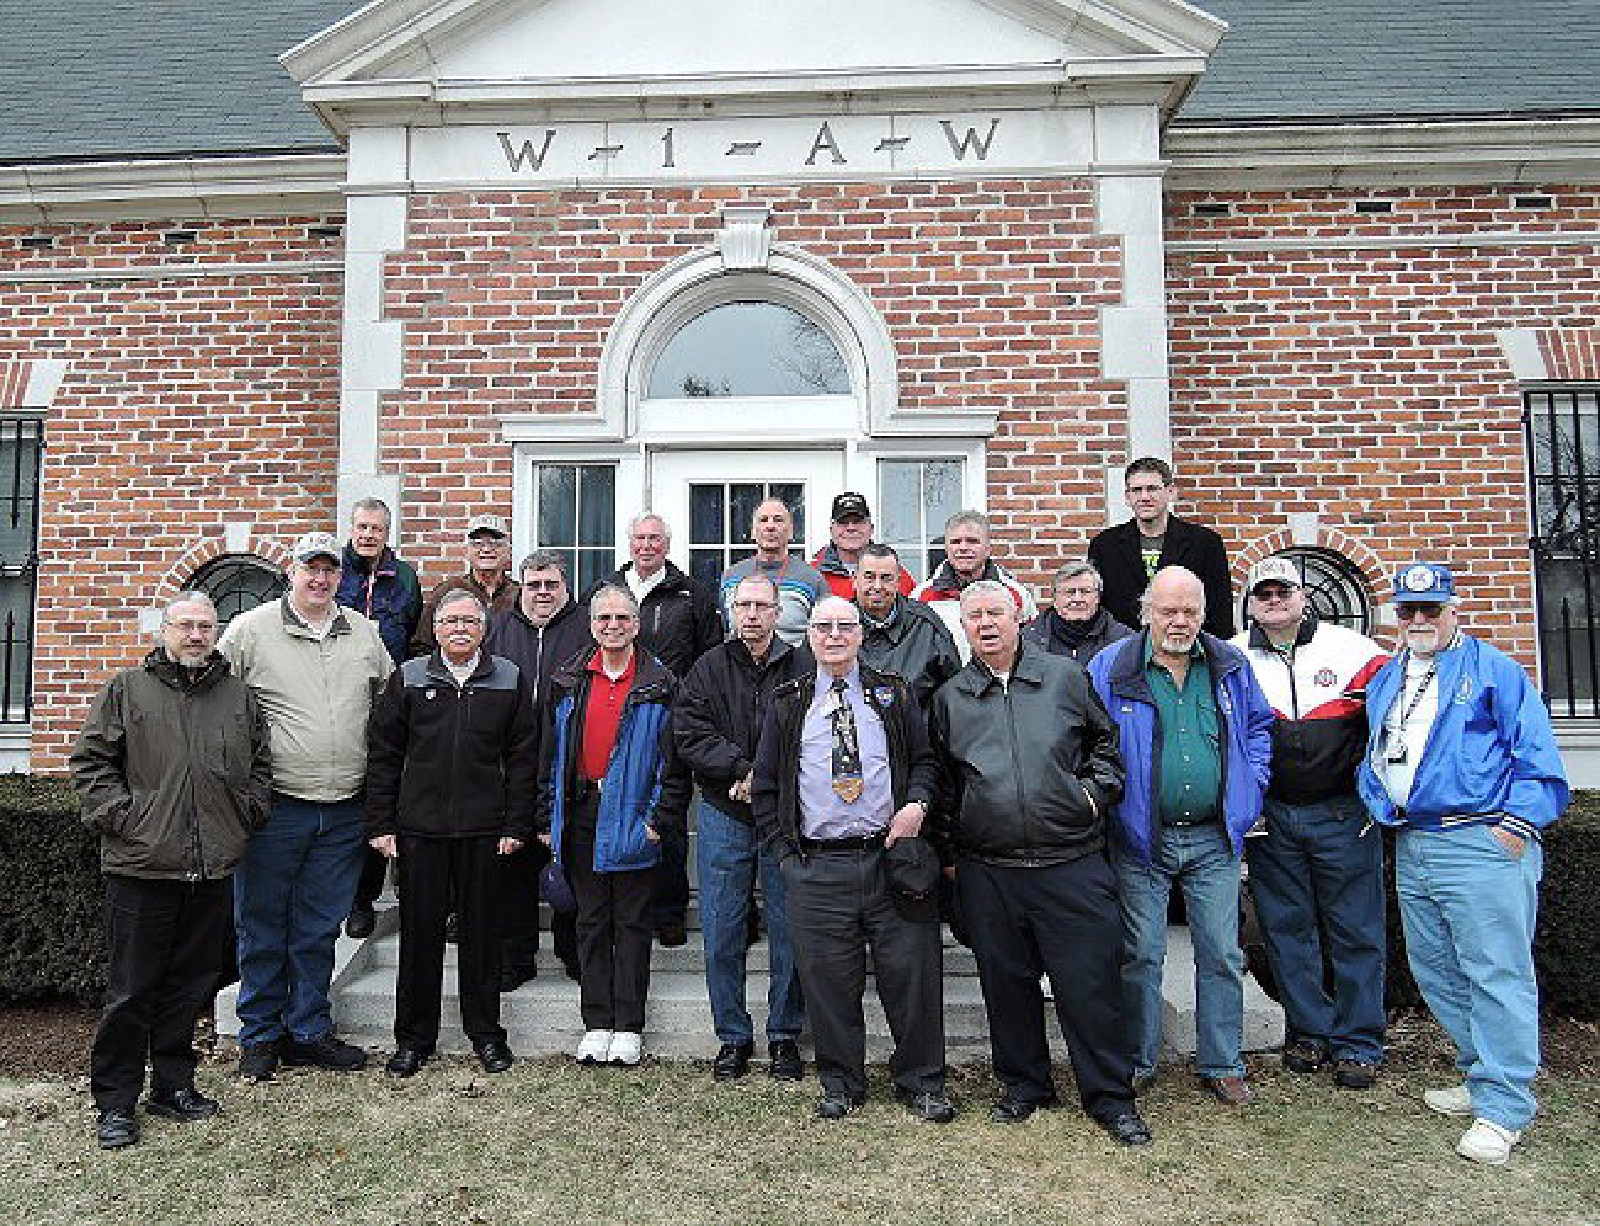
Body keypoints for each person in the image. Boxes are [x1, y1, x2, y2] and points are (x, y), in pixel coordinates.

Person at [1357, 562, 1568, 1165]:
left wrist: (1516, 825)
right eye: (1408, 610)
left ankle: (1504, 1107)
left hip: (1479, 841)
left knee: (1496, 971)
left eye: (1431, 609)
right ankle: (1481, 1075)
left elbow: (1535, 750)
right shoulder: (1389, 676)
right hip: (1415, 839)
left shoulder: (1495, 671)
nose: (1419, 620)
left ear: (1453, 612)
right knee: (1435, 969)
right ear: (1396, 615)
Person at [928, 582, 1150, 1144]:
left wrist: (1091, 798)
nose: (985, 624)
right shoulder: (951, 696)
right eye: (973, 616)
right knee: (1006, 985)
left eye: (995, 613)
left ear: (1019, 619)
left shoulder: (1065, 679)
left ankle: (1109, 1097)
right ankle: (1025, 1084)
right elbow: (944, 785)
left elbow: (1107, 748)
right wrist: (954, 854)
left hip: (1069, 861)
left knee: (1089, 985)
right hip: (990, 867)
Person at [71, 592, 272, 1150]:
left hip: (211, 869)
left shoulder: (237, 697)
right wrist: (124, 818)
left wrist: (247, 814)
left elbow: (260, 765)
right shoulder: (127, 691)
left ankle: (174, 1086)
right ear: (164, 630)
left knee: (190, 986)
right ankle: (115, 1102)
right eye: (185, 625)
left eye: (205, 626)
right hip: (141, 867)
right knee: (132, 989)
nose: (195, 634)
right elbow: (91, 763)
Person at [751, 596, 952, 1123]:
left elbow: (926, 762)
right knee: (828, 984)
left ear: (861, 634)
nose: (834, 636)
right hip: (816, 868)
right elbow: (767, 784)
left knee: (911, 978)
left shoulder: (893, 692)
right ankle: (841, 1082)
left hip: (889, 858)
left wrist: (916, 805)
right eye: (823, 627)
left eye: (845, 626)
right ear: (809, 637)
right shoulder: (787, 700)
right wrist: (785, 850)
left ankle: (923, 1082)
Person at [1084, 566, 1273, 1105]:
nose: (1179, 621)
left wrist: (1250, 789)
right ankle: (1138, 1060)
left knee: (1221, 952)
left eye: (1189, 611)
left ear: (1204, 613)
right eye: (1168, 611)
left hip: (1215, 840)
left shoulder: (1229, 666)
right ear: (1147, 613)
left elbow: (1258, 729)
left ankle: (1223, 1062)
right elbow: (1090, 739)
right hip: (1142, 839)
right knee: (1141, 954)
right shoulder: (1112, 667)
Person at [219, 532, 393, 1080]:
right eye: (309, 569)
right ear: (289, 573)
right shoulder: (249, 631)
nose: (319, 579)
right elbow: (217, 706)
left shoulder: (364, 633)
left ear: (341, 575)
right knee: (264, 923)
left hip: (344, 808)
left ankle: (308, 1030)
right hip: (277, 808)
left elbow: (387, 706)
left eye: (329, 570)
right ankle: (261, 1036)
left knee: (320, 927)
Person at [365, 589, 539, 1078]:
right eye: (450, 620)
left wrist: (516, 824)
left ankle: (485, 1034)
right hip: (420, 831)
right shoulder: (409, 678)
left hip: (487, 831)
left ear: (485, 629)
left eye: (470, 620)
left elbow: (525, 758)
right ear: (436, 629)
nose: (460, 628)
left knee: (483, 937)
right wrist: (381, 823)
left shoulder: (508, 679)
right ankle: (413, 1040)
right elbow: (384, 754)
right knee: (419, 939)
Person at [1233, 556, 1389, 1090]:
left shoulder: (1353, 651)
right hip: (1272, 816)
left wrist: (1377, 792)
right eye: (1263, 595)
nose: (1273, 602)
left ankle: (1359, 1042)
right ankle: (1308, 1031)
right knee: (1286, 928)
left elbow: (1392, 726)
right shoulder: (1232, 656)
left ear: (1304, 598)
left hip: (1343, 812)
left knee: (1355, 928)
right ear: (1250, 603)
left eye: (1283, 593)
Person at [537, 584, 689, 1067]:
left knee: (631, 923)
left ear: (637, 624)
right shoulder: (569, 678)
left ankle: (628, 1026)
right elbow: (549, 755)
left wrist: (660, 820)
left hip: (634, 817)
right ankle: (597, 1022)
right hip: (582, 813)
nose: (612, 626)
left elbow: (676, 762)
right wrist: (547, 816)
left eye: (622, 618)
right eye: (603, 618)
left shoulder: (660, 682)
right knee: (590, 922)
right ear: (592, 624)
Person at [672, 574, 807, 1082]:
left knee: (788, 929)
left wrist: (762, 777)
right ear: (731, 612)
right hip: (723, 812)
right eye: (743, 605)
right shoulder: (708, 667)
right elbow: (689, 732)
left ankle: (783, 1036)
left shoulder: (801, 667)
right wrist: (738, 769)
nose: (751, 614)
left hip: (783, 818)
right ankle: (731, 1035)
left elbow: (807, 733)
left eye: (761, 606)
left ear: (778, 613)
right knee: (722, 928)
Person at [587, 512, 722, 948]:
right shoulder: (607, 591)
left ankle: (668, 912)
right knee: (617, 813)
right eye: (640, 538)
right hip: (614, 710)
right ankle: (620, 909)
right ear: (629, 543)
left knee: (666, 812)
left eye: (655, 539)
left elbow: (709, 656)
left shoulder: (691, 594)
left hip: (668, 713)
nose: (647, 545)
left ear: (668, 543)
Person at [484, 550, 592, 986]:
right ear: (521, 587)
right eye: (534, 585)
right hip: (510, 766)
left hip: (570, 763)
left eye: (551, 585)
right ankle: (516, 956)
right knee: (513, 865)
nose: (542, 593)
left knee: (572, 864)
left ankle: (575, 952)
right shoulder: (499, 630)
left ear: (566, 587)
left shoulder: (587, 628)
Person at [335, 496, 423, 940]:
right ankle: (344, 896)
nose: (368, 535)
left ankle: (364, 899)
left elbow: (410, 635)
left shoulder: (404, 577)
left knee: (380, 795)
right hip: (338, 692)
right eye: (362, 527)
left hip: (387, 697)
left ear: (388, 533)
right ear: (352, 529)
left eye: (377, 529)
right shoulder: (333, 569)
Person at [1088, 456, 1235, 639]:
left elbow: (1220, 609)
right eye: (1137, 490)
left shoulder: (1205, 543)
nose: (1145, 497)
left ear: (1170, 492)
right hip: (1124, 653)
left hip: (1188, 649)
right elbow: (1097, 610)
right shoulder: (1104, 546)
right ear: (1127, 497)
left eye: (1152, 489)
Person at [911, 510, 1037, 662]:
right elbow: (913, 651)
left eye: (972, 541)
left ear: (988, 548)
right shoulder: (921, 597)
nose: (963, 548)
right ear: (946, 548)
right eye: (956, 542)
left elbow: (1031, 647)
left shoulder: (1015, 595)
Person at [854, 543, 961, 709]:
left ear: (898, 582)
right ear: (855, 580)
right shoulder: (838, 625)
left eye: (886, 578)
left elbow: (954, 694)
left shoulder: (926, 626)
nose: (877, 586)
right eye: (869, 577)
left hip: (916, 733)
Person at [718, 497, 827, 648]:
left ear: (790, 531)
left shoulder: (812, 579)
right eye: (763, 520)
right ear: (753, 531)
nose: (770, 526)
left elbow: (823, 634)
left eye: (778, 520)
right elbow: (726, 629)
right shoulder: (731, 577)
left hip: (794, 667)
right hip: (740, 667)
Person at [412, 513, 521, 656]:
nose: (486, 549)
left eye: (495, 543)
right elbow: (422, 645)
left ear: (508, 551)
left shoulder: (520, 595)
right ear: (466, 551)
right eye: (478, 544)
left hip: (506, 675)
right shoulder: (447, 591)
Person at [1022, 560, 1133, 667]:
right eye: (1069, 592)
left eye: (1085, 592)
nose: (1077, 599)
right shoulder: (1028, 640)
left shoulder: (1124, 640)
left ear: (1098, 597)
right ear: (1054, 599)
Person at [811, 491, 914, 600]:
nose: (851, 528)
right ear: (831, 530)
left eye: (858, 521)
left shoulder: (895, 574)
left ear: (871, 528)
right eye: (843, 522)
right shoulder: (812, 573)